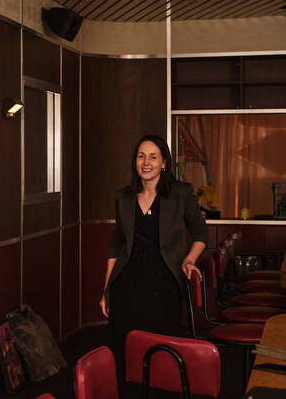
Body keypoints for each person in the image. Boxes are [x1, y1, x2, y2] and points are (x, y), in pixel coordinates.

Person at [100, 134, 207, 397]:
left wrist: (190, 259)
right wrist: (106, 290)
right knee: (123, 351)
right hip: (126, 283)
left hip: (164, 284)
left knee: (160, 352)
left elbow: (201, 234)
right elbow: (116, 244)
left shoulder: (180, 194)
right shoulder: (123, 197)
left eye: (153, 157)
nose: (145, 162)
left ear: (164, 164)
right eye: (140, 156)